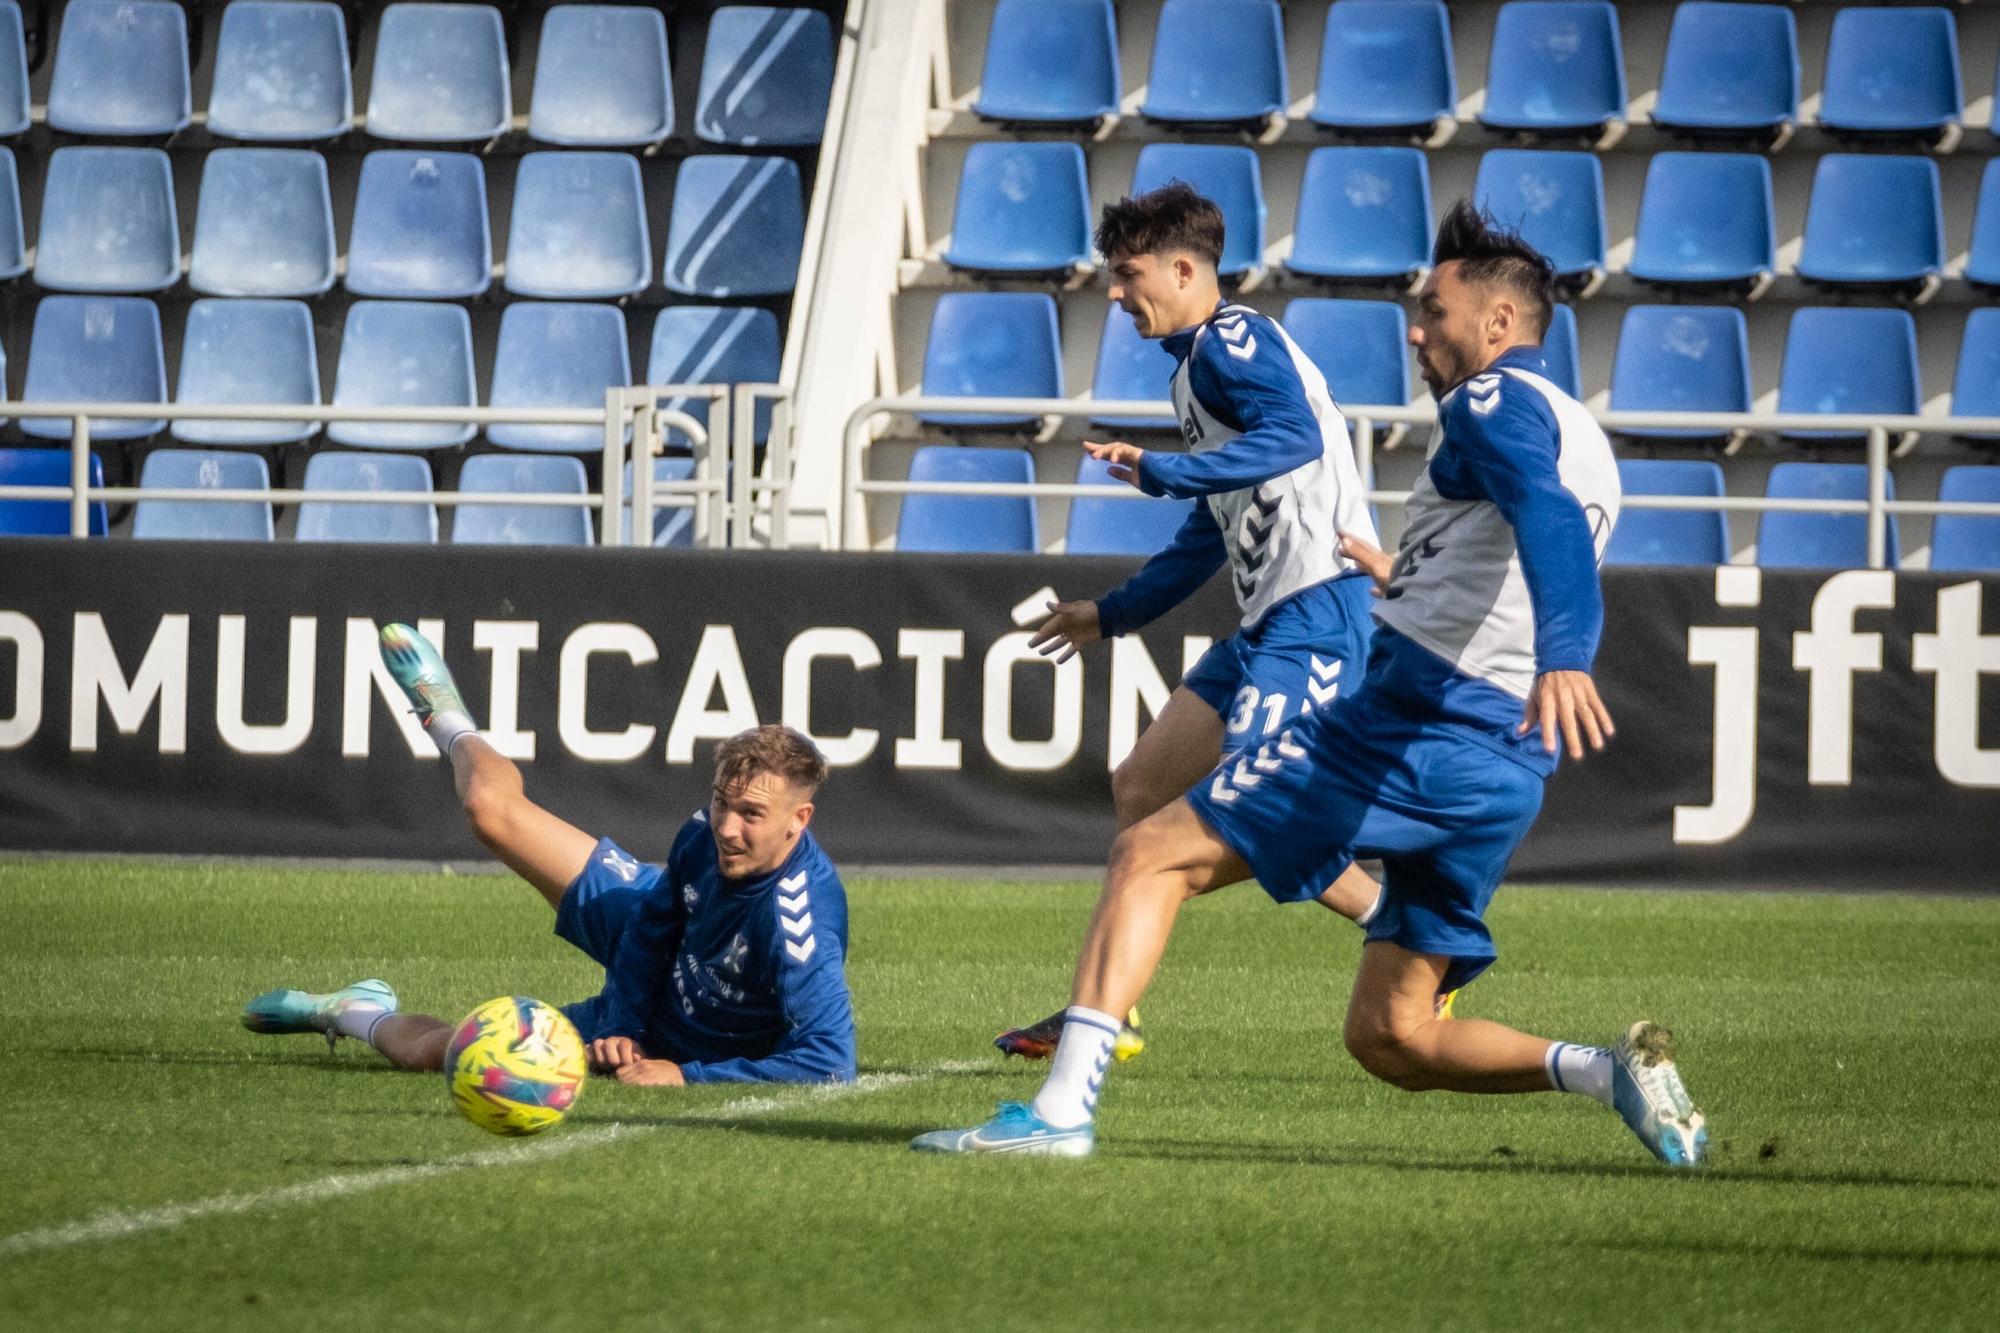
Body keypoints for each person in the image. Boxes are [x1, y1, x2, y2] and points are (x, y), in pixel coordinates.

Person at [915, 202, 1708, 1167]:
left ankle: (1061, 1109)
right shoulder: (1584, 437)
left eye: (1436, 309)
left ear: (1500, 324)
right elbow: (1500, 547)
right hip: (1501, 769)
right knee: (1392, 1035)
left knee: (1150, 852)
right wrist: (1396, 581)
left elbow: (1530, 512)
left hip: (1415, 728)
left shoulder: (1479, 401)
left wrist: (1569, 652)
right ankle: (1604, 1071)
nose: (1416, 330)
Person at [993, 181, 1399, 1064]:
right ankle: (1112, 1009)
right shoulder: (1195, 370)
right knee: (1142, 786)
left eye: (1128, 273)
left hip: (1321, 608)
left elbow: (1292, 435)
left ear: (1184, 268)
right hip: (1268, 624)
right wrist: (1113, 613)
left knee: (1261, 805)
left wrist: (1164, 468)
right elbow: (1210, 527)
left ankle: (1406, 931)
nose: (1114, 292)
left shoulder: (1235, 337)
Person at [241, 625, 857, 1088]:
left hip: (686, 1035)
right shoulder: (703, 831)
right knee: (488, 807)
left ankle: (352, 1013)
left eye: (752, 815)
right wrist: (623, 1026)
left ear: (799, 820)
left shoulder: (798, 922)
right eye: (723, 803)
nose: (728, 827)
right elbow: (651, 929)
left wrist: (686, 1074)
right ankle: (445, 715)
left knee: (455, 1058)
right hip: (643, 927)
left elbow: (831, 1062)